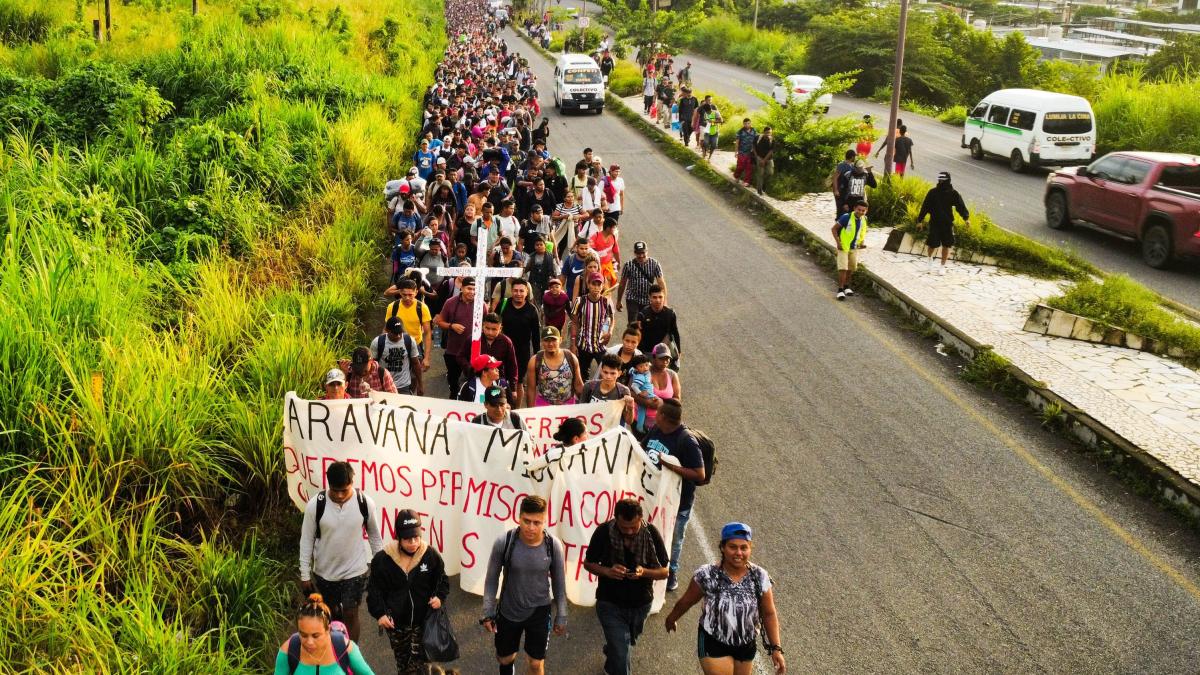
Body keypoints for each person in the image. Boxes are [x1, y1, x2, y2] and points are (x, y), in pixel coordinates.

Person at [664, 522, 786, 675]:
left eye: (743, 547)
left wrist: (776, 648)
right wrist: (671, 618)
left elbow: (769, 614)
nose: (738, 553)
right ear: (722, 547)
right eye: (732, 547)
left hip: (746, 646)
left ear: (750, 548)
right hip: (713, 642)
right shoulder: (707, 575)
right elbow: (687, 601)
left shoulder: (760, 576)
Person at [481, 495, 568, 675]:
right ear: (518, 517)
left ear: (545, 521)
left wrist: (562, 614)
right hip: (509, 610)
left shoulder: (553, 545)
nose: (530, 527)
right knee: (505, 659)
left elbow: (559, 584)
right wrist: (488, 612)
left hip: (539, 612)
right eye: (526, 521)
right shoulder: (504, 542)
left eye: (537, 522)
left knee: (536, 664)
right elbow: (491, 579)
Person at [298, 461, 384, 642]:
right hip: (325, 573)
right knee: (332, 616)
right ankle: (334, 654)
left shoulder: (364, 503)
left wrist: (381, 567)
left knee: (351, 613)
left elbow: (375, 536)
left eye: (344, 490)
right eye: (334, 490)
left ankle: (351, 656)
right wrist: (305, 575)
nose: (339, 495)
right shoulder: (316, 505)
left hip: (355, 570)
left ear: (352, 482)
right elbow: (306, 540)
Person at [583, 498, 670, 675]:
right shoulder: (603, 532)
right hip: (610, 603)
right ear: (616, 519)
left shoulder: (651, 533)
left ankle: (612, 653)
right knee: (622, 655)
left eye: (634, 527)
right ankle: (616, 652)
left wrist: (643, 572)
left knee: (626, 644)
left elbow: (664, 571)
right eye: (624, 528)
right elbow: (588, 563)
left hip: (641, 605)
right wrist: (607, 571)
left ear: (640, 520)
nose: (629, 532)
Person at [367, 510, 449, 675]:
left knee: (419, 666)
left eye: (416, 537)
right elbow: (373, 591)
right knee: (403, 664)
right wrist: (380, 614)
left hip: (423, 622)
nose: (413, 542)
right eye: (407, 539)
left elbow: (443, 581)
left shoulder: (430, 555)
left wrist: (440, 597)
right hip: (396, 624)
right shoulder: (382, 560)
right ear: (398, 537)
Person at [643, 399, 703, 591]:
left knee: (673, 538)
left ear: (663, 416)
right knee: (650, 533)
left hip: (677, 503)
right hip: (652, 496)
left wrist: (670, 466)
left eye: (657, 411)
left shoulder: (686, 441)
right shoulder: (656, 430)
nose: (655, 413)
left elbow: (699, 474)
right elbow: (641, 448)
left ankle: (671, 571)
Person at [275, 593, 376, 675]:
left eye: (316, 636)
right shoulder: (288, 650)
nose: (309, 642)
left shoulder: (345, 648)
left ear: (328, 630)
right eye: (303, 635)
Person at [917, 171, 968, 274]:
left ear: (948, 181)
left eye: (943, 180)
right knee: (932, 244)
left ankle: (942, 266)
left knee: (946, 245)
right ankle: (929, 260)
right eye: (939, 180)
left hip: (947, 223)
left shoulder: (953, 193)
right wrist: (919, 220)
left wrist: (966, 218)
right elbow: (925, 207)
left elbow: (960, 206)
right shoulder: (932, 192)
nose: (941, 182)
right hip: (934, 222)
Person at [434, 277, 478, 392]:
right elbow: (439, 321)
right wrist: (451, 326)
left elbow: (487, 325)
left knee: (474, 383)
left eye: (474, 289)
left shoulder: (480, 305)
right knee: (453, 382)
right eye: (469, 288)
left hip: (473, 352)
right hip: (453, 351)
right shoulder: (450, 303)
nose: (472, 292)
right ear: (461, 288)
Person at [570, 272, 615, 379]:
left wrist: (610, 332)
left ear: (602, 286)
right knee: (582, 375)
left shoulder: (606, 301)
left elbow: (612, 319)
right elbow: (574, 323)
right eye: (593, 284)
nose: (596, 287)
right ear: (588, 284)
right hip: (584, 345)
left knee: (606, 374)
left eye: (599, 284)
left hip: (600, 345)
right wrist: (573, 344)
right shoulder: (580, 301)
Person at [526, 326, 583, 407]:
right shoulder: (535, 361)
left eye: (554, 340)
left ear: (560, 340)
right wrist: (530, 413)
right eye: (546, 340)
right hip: (543, 407)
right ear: (542, 342)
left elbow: (578, 386)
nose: (550, 344)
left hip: (568, 407)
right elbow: (531, 390)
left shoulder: (571, 357)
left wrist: (586, 407)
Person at [384, 279, 434, 368]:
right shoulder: (392, 307)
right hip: (396, 345)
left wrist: (426, 358)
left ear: (416, 292)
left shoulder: (422, 308)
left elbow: (427, 333)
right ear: (399, 292)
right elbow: (386, 329)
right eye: (404, 294)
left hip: (416, 345)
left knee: (415, 374)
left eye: (410, 295)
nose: (407, 298)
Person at [370, 318, 424, 396]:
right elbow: (371, 365)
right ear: (387, 330)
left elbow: (415, 363)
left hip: (403, 387)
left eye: (400, 332)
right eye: (395, 333)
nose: (398, 336)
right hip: (384, 386)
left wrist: (420, 384)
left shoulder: (409, 340)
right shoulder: (377, 342)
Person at [500, 279, 542, 377]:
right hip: (503, 349)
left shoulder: (532, 310)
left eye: (521, 291)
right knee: (502, 378)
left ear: (527, 292)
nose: (518, 294)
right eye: (515, 290)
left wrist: (537, 356)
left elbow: (536, 335)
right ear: (511, 291)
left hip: (522, 352)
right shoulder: (504, 304)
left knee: (519, 380)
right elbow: (494, 323)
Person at [580, 354, 637, 426]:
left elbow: (628, 421)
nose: (608, 376)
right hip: (591, 429)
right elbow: (581, 412)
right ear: (601, 371)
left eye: (613, 373)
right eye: (605, 372)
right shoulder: (589, 386)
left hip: (611, 433)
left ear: (619, 373)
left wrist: (631, 408)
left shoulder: (623, 391)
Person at [616, 241, 665, 323]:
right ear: (635, 253)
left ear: (647, 251)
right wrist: (618, 301)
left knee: (647, 323)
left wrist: (664, 302)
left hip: (648, 300)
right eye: (638, 253)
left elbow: (661, 283)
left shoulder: (655, 264)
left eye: (643, 252)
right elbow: (622, 284)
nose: (641, 256)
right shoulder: (628, 265)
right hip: (633, 298)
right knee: (633, 323)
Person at [634, 285, 681, 369]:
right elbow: (638, 335)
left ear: (664, 297)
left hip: (665, 351)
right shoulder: (643, 315)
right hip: (648, 352)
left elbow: (675, 332)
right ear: (650, 298)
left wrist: (679, 351)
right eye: (654, 297)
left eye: (660, 297)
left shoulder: (670, 314)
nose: (658, 300)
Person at [831, 198, 869, 301]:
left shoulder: (864, 220)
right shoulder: (846, 217)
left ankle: (847, 286)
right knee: (843, 268)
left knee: (851, 268)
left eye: (863, 210)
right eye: (859, 209)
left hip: (855, 248)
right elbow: (834, 229)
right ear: (854, 208)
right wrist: (838, 243)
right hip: (844, 247)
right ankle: (840, 290)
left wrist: (862, 243)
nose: (860, 212)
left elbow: (861, 233)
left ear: (866, 211)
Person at [626, 354, 655, 435]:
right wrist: (640, 393)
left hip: (649, 393)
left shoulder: (643, 372)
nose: (645, 368)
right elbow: (634, 386)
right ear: (636, 368)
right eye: (641, 366)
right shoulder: (640, 377)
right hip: (647, 395)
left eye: (646, 365)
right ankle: (639, 427)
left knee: (642, 412)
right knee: (642, 412)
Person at [590, 217, 621, 288]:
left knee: (609, 282)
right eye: (614, 228)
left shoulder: (613, 237)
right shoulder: (595, 237)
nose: (615, 230)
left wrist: (618, 263)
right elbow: (592, 252)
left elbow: (616, 251)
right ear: (608, 228)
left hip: (608, 265)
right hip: (597, 267)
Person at [830, 149, 857, 217]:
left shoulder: (852, 166)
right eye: (854, 157)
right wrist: (836, 190)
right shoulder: (841, 165)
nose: (855, 158)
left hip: (847, 191)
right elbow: (835, 178)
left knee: (846, 208)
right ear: (852, 157)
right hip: (840, 190)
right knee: (840, 208)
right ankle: (838, 223)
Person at [734, 119, 758, 186]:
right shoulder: (740, 131)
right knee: (740, 167)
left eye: (748, 123)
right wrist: (736, 152)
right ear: (743, 124)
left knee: (749, 167)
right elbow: (737, 142)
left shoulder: (754, 131)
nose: (747, 125)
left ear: (750, 123)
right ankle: (737, 176)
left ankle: (746, 181)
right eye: (745, 124)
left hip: (750, 153)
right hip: (742, 152)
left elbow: (757, 140)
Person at [753, 126, 775, 196]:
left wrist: (764, 160)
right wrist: (756, 156)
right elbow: (753, 146)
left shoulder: (772, 140)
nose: (769, 134)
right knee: (760, 174)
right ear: (764, 132)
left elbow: (771, 151)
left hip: (769, 159)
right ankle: (759, 190)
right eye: (767, 133)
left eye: (770, 133)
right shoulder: (758, 138)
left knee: (770, 173)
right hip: (759, 157)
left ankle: (764, 185)